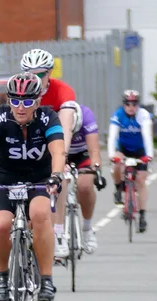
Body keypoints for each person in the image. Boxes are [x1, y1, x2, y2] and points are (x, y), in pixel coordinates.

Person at [0, 72, 65, 301]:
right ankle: (3, 275)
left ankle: (46, 278)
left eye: (27, 102)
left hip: (39, 178)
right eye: (15, 101)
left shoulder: (47, 117)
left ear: (37, 102)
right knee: (0, 225)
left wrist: (56, 176)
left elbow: (57, 151)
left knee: (40, 214)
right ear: (8, 101)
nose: (20, 107)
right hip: (5, 178)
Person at [20, 48, 76, 258]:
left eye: (40, 74)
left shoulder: (63, 91)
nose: (35, 78)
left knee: (61, 178)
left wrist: (62, 157)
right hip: (29, 146)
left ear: (50, 73)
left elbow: (66, 126)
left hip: (54, 141)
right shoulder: (19, 88)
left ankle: (59, 232)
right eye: (30, 74)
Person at [108, 90, 154, 232]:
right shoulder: (118, 115)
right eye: (128, 104)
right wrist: (111, 155)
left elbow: (147, 136)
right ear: (124, 105)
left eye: (134, 104)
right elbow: (112, 136)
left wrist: (149, 155)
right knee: (117, 164)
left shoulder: (144, 115)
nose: (131, 107)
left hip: (140, 149)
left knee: (141, 181)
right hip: (123, 148)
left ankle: (143, 216)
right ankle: (118, 187)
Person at [64, 101, 107, 253]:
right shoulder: (58, 116)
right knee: (58, 184)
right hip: (61, 152)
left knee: (85, 186)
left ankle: (87, 228)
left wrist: (97, 172)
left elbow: (94, 151)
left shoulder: (86, 115)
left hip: (82, 153)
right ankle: (58, 233)